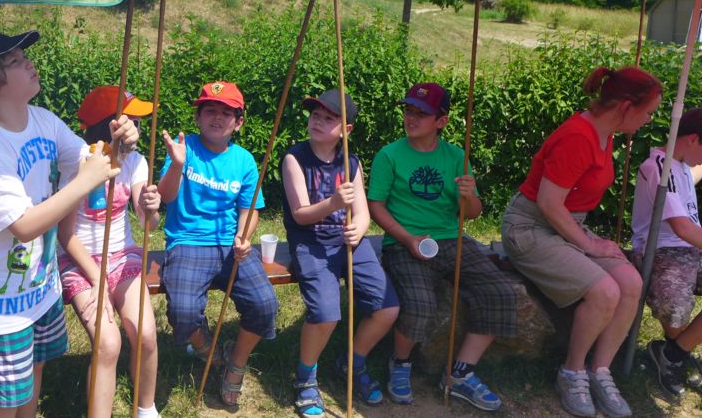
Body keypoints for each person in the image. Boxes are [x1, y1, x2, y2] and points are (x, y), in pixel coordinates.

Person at [0, 30, 138, 418]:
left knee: (35, 372)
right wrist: (85, 180)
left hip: (42, 289)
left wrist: (121, 144)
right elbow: (22, 225)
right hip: (1, 304)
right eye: (16, 61)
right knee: (6, 398)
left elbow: (94, 162)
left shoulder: (44, 121)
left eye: (25, 57)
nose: (30, 63)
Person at [502, 66, 662, 418]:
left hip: (564, 225)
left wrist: (588, 240)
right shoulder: (578, 136)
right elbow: (548, 203)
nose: (649, 120)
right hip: (530, 228)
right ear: (626, 107)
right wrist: (590, 246)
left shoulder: (605, 133)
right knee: (605, 291)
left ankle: (599, 371)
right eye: (649, 112)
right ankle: (572, 372)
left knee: (631, 284)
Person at [368, 82, 516, 412]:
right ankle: (400, 362)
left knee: (501, 292)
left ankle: (460, 373)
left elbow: (472, 214)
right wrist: (407, 239)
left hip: (451, 239)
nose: (411, 118)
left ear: (441, 121)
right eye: (408, 110)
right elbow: (376, 205)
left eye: (422, 113)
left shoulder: (456, 157)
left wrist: (469, 196)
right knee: (420, 304)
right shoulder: (389, 155)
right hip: (403, 243)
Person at [157, 81, 278, 408]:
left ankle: (235, 362)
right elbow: (165, 197)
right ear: (198, 117)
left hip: (230, 244)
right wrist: (177, 164)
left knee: (265, 305)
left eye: (226, 113)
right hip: (188, 242)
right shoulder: (184, 149)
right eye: (209, 110)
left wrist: (244, 236)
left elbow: (250, 208)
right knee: (183, 312)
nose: (217, 117)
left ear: (238, 123)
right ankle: (207, 349)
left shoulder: (244, 161)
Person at [281, 89, 399, 416]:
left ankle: (352, 362)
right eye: (315, 115)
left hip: (348, 242)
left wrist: (358, 229)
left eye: (328, 118)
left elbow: (362, 213)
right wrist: (333, 203)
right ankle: (305, 378)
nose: (318, 121)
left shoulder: (351, 162)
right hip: (311, 242)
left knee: (387, 308)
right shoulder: (294, 159)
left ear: (345, 130)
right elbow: (300, 214)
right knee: (326, 314)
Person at [57, 85, 162, 418]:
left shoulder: (135, 162)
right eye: (133, 121)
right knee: (108, 344)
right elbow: (65, 236)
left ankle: (146, 408)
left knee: (145, 333)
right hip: (81, 261)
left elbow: (148, 223)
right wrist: (98, 278)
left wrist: (153, 209)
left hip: (123, 255)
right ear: (109, 126)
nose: (139, 129)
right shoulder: (79, 165)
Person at [632, 107, 702, 397]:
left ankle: (672, 354)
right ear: (693, 139)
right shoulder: (659, 168)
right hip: (662, 249)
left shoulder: (683, 166)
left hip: (694, 251)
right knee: (675, 308)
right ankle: (678, 351)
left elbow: (696, 171)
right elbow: (681, 227)